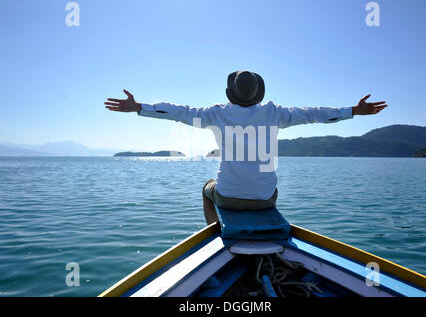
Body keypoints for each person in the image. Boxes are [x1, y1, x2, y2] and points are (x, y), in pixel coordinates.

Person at [104, 70, 387, 224]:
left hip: (226, 196)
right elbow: (315, 113)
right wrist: (353, 111)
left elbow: (178, 111)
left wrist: (139, 107)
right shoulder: (274, 113)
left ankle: (215, 233)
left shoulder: (215, 114)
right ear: (258, 94)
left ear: (232, 93)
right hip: (267, 198)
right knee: (265, 182)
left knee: (206, 188)